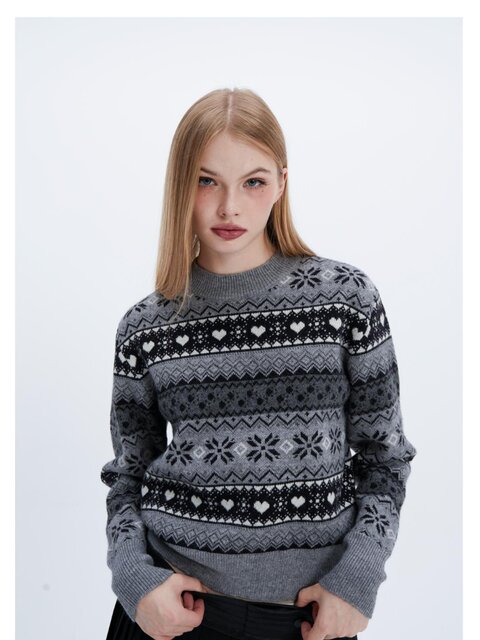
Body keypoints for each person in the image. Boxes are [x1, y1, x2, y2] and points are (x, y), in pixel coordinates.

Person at [100, 87, 417, 640]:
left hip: (310, 620)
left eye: (253, 182)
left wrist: (358, 579)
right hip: (175, 616)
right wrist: (133, 579)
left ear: (281, 184)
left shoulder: (346, 301)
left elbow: (385, 461)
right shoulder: (145, 326)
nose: (230, 207)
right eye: (207, 181)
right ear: (180, 185)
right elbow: (128, 474)